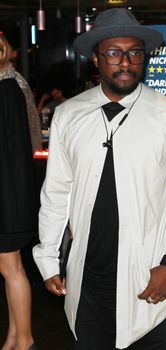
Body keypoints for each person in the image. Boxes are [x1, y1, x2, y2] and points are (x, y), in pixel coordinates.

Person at [33, 8, 166, 350]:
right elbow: (55, 194)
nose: (125, 62)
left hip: (148, 278)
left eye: (134, 53)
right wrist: (48, 259)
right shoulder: (69, 115)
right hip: (87, 281)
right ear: (97, 59)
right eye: (113, 53)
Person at [0, 35, 37, 350]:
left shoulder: (5, 90)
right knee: (12, 268)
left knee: (11, 270)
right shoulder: (12, 86)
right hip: (11, 199)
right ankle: (14, 337)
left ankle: (25, 341)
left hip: (6, 202)